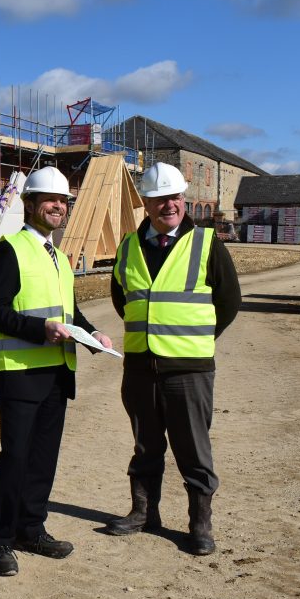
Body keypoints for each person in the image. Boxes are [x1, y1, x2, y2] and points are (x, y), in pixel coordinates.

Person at [0, 165, 113, 577]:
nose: (59, 207)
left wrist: (92, 335)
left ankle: (31, 529)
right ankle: (0, 540)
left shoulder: (58, 257)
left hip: (57, 372)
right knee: (16, 459)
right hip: (20, 374)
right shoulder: (9, 250)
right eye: (51, 200)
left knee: (43, 460)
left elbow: (67, 311)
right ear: (31, 204)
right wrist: (42, 330)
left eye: (64, 202)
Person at [107, 162, 241, 556]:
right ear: (146, 203)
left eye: (177, 197)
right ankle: (143, 513)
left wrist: (193, 339)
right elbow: (123, 298)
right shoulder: (129, 246)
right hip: (140, 368)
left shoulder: (206, 243)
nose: (171, 205)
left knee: (193, 448)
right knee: (145, 444)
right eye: (162, 198)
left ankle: (200, 524)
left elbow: (229, 302)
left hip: (189, 369)